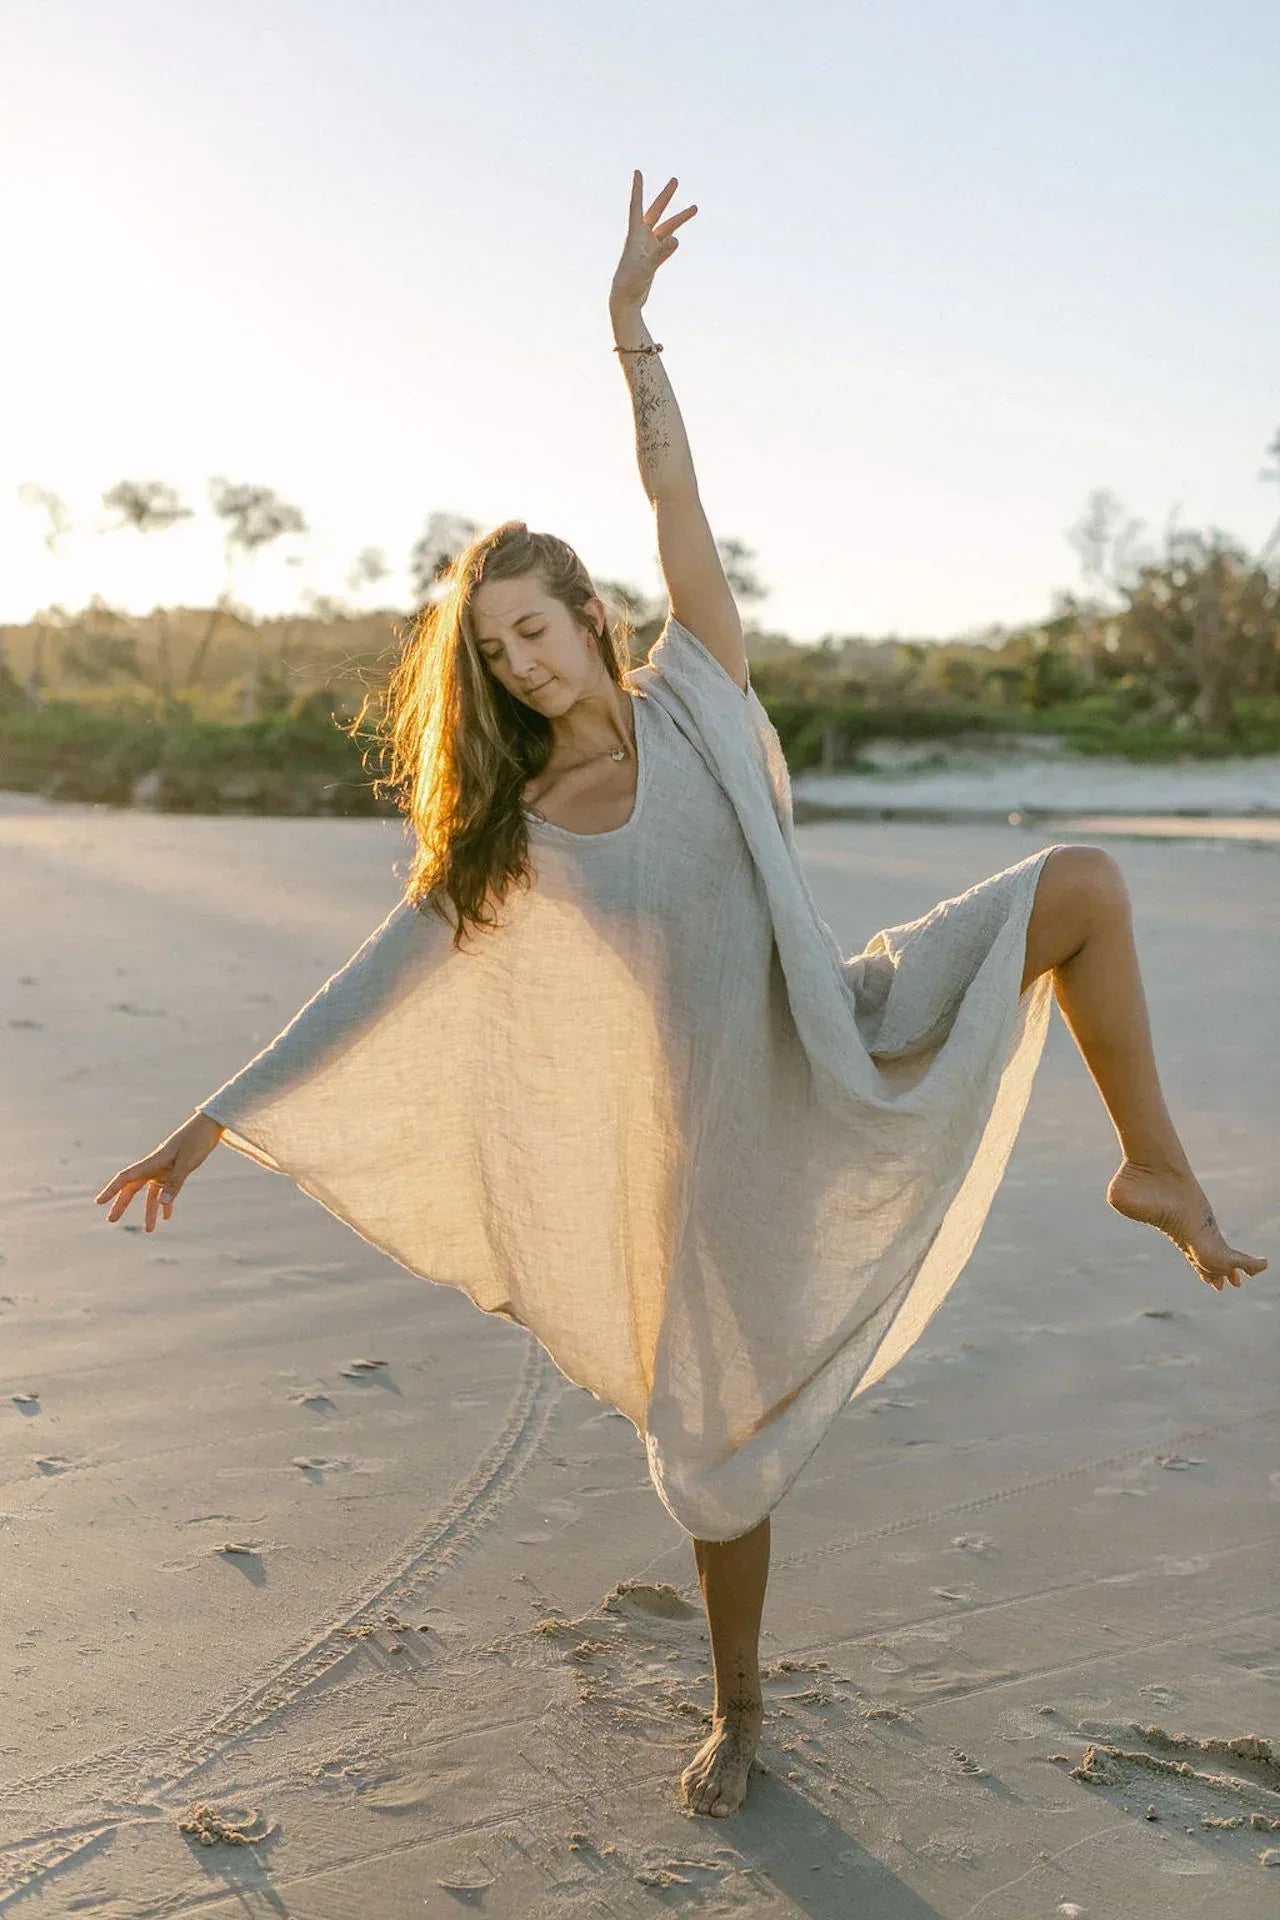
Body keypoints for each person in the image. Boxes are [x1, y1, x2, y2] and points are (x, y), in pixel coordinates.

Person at [95, 171, 1267, 1820]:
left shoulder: (700, 689)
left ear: (589, 615)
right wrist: (205, 1125)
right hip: (715, 1135)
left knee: (1083, 879)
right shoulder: (519, 838)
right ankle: (737, 1708)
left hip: (838, 1020)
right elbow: (372, 982)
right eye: (494, 653)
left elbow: (675, 503)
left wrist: (632, 334)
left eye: (536, 630)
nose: (522, 664)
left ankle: (1152, 1161)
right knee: (716, 1453)